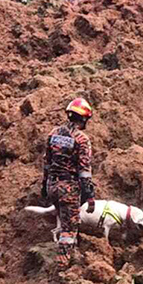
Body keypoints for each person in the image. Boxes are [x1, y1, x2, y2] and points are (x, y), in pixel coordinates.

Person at [41, 98, 95, 274]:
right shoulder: (81, 139)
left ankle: (73, 253)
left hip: (52, 185)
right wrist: (90, 194)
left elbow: (47, 163)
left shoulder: (53, 134)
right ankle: (62, 267)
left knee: (65, 219)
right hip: (68, 188)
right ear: (84, 119)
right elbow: (84, 170)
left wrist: (44, 185)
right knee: (69, 228)